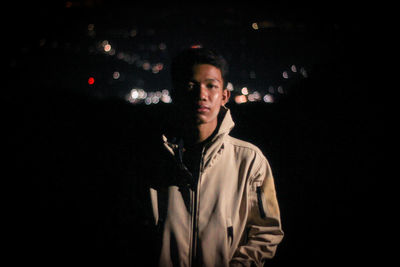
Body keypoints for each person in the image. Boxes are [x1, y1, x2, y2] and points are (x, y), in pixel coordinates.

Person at [139, 47, 284, 267]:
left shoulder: (250, 160)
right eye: (191, 85)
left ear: (224, 95)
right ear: (176, 93)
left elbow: (267, 231)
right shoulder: (151, 160)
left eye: (211, 86)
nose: (201, 95)